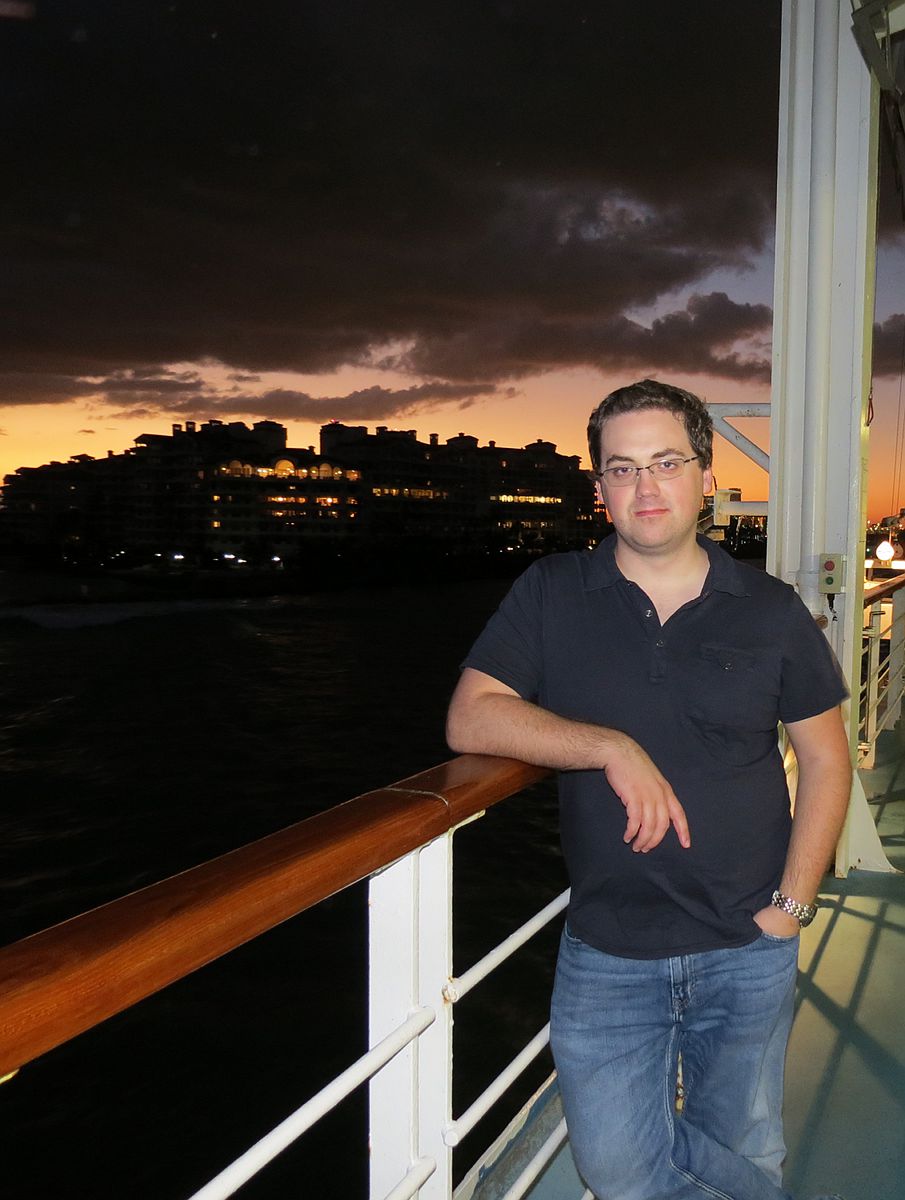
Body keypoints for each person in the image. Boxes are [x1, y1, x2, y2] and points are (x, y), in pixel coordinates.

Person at [446, 380, 852, 1200]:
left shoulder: (770, 610)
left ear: (706, 477)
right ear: (599, 488)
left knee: (742, 1147)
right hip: (607, 950)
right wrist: (608, 746)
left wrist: (790, 910)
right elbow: (471, 716)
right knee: (616, 1168)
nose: (645, 486)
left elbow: (825, 762)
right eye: (622, 468)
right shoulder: (553, 590)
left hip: (746, 942)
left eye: (666, 462)